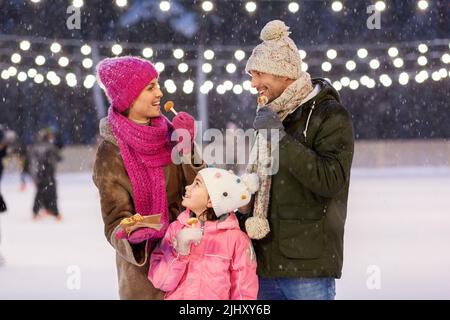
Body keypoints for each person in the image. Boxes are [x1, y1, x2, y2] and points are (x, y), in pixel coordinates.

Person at [241, 20, 355, 300]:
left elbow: (330, 180)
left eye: (259, 74)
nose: (254, 83)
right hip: (263, 264)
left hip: (308, 268)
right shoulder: (272, 115)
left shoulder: (329, 115)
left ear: (283, 73)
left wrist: (278, 139)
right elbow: (262, 182)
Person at [92, 56, 205, 300]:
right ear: (129, 97)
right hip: (144, 278)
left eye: (158, 85)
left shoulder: (171, 136)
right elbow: (115, 222)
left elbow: (203, 191)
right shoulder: (111, 153)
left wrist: (187, 147)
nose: (160, 93)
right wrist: (133, 234)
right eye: (150, 87)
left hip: (189, 262)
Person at [148, 168, 259, 300]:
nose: (188, 187)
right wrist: (178, 252)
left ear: (211, 201)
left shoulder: (237, 240)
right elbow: (161, 282)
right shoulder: (175, 229)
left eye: (197, 184)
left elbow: (244, 292)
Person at [29, 128, 62, 220]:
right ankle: (54, 212)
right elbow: (58, 157)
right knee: (51, 192)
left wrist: (34, 175)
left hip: (39, 174)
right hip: (48, 173)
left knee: (40, 193)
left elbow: (31, 162)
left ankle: (37, 212)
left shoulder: (35, 147)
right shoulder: (50, 147)